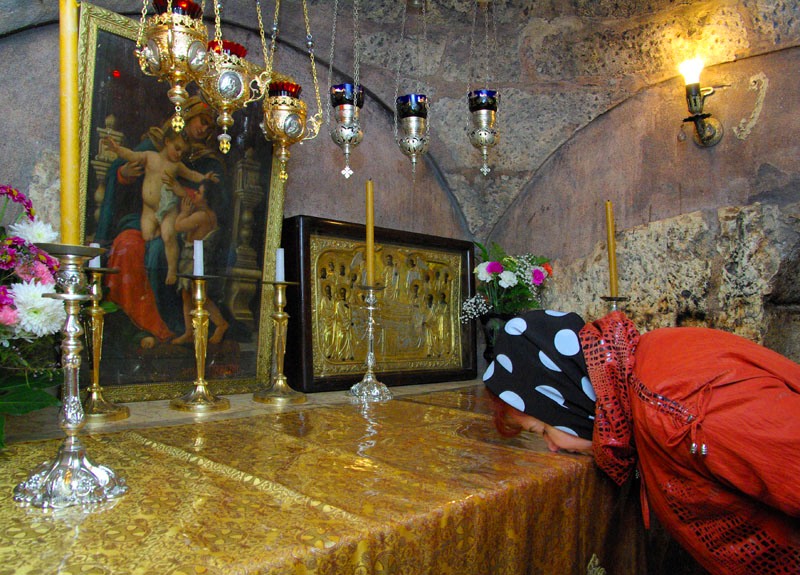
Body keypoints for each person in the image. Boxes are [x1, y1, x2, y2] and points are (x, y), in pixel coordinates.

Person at [482, 309, 800, 575]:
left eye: (542, 430)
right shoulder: (645, 366)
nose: (552, 447)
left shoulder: (672, 408)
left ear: (564, 402)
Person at [96, 96, 227, 348]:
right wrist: (124, 174)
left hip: (182, 224)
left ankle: (165, 326)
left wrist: (188, 194)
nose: (203, 129)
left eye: (209, 126)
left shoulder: (208, 160)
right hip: (142, 218)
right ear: (186, 118)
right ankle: (131, 324)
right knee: (126, 247)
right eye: (201, 121)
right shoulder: (153, 146)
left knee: (159, 253)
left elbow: (211, 196)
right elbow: (119, 168)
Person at [104, 130, 219, 286]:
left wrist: (205, 178)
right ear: (167, 142)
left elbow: (192, 174)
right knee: (148, 235)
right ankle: (156, 234)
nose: (179, 154)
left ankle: (171, 270)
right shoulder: (150, 157)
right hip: (149, 210)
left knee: (168, 236)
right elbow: (132, 155)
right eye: (177, 148)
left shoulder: (177, 166)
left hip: (168, 210)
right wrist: (117, 149)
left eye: (183, 152)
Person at [172, 181, 228, 345]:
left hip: (194, 259)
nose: (195, 194)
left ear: (207, 199)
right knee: (187, 294)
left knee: (199, 296)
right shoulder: (209, 214)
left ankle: (221, 324)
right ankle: (189, 331)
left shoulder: (202, 216)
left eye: (199, 192)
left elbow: (178, 226)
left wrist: (183, 212)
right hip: (192, 258)